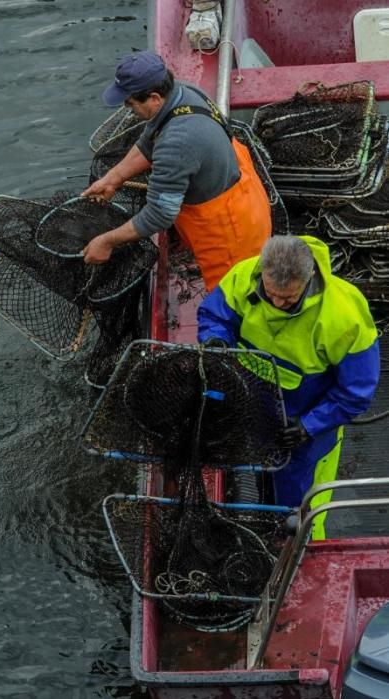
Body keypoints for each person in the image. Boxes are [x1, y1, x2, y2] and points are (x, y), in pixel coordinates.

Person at [197, 234, 380, 538]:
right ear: (263, 272)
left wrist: (308, 426)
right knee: (257, 472)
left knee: (301, 511)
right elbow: (215, 316)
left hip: (305, 431)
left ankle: (300, 554)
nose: (278, 304)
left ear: (309, 277)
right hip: (251, 407)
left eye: (289, 298)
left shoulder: (345, 317)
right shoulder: (244, 275)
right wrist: (216, 341)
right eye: (271, 295)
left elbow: (356, 392)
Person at [82, 50, 271, 291]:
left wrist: (106, 241)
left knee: (233, 305)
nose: (129, 110)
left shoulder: (177, 142)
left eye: (131, 104)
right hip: (241, 194)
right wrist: (112, 179)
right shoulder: (183, 92)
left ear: (154, 98)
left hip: (229, 234)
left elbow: (160, 214)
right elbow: (148, 140)